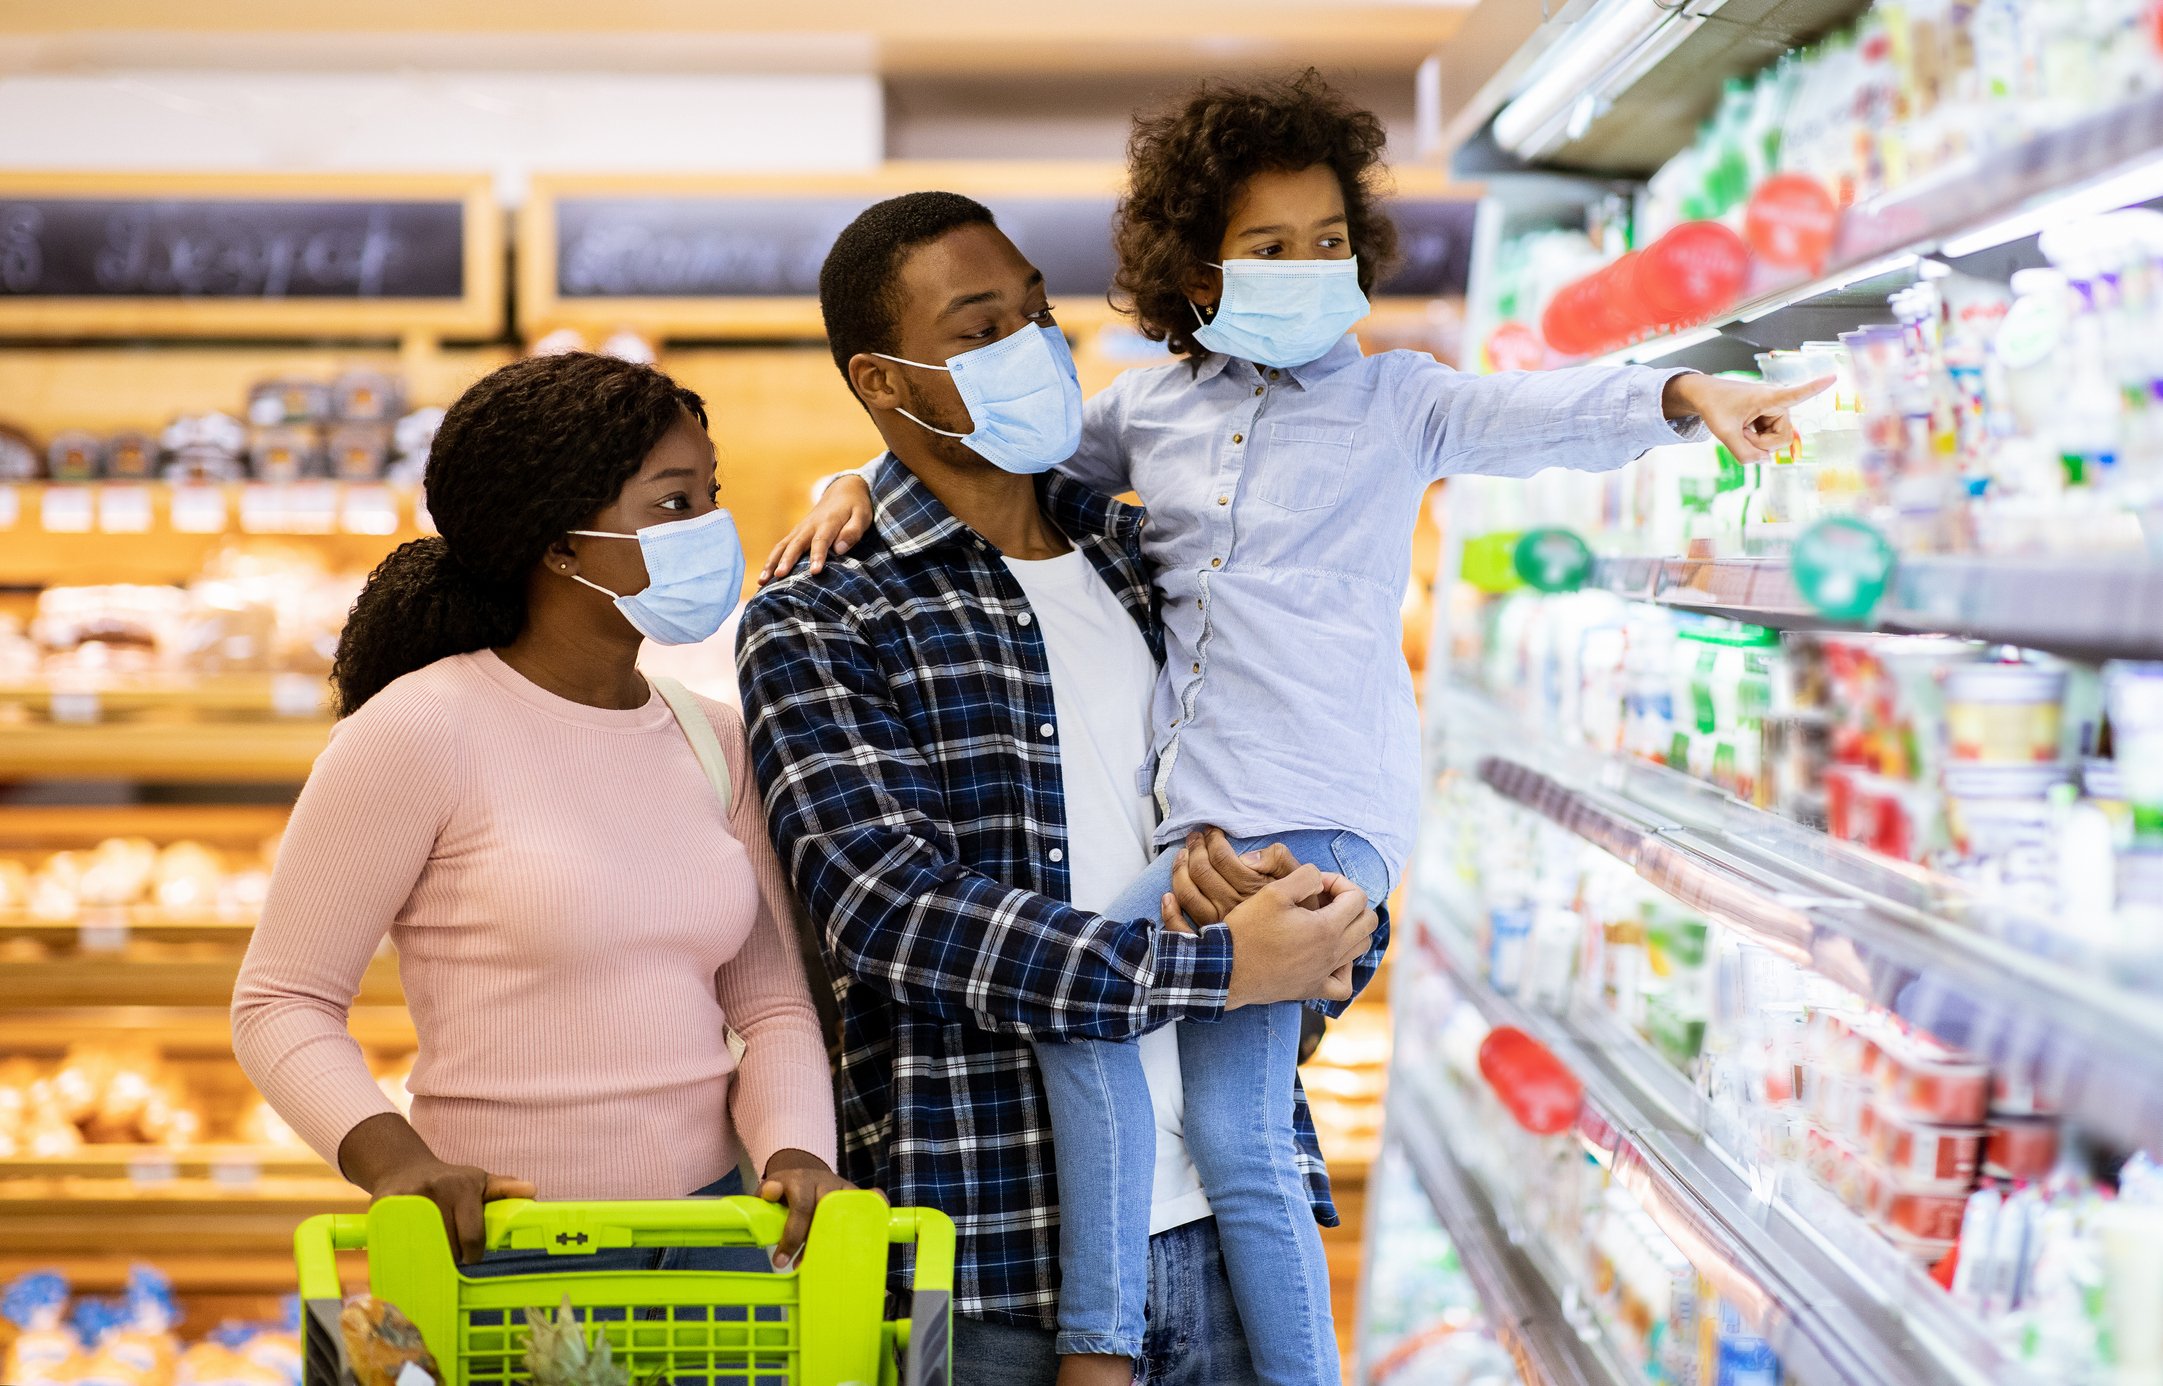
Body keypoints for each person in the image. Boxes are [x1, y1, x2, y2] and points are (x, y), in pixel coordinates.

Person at [763, 74, 1829, 1386]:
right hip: (1011, 1220)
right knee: (1199, 1088)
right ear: (1191, 271)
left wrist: (1682, 395)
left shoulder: (1357, 419)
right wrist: (845, 479)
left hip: (1315, 830)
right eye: (1266, 247)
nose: (1305, 268)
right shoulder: (1108, 461)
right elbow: (890, 892)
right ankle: (1108, 1338)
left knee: (1240, 1127)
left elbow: (1528, 410)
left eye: (1327, 241)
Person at [736, 190, 1380, 1386]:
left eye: (1036, 313)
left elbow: (1290, 763)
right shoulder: (822, 615)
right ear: (882, 382)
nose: (1031, 349)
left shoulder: (1146, 552)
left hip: (1232, 1226)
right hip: (1000, 1257)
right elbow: (893, 915)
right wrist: (1224, 967)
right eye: (978, 331)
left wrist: (1333, 940)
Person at [232, 352, 849, 1272]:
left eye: (710, 497)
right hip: (505, 1245)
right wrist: (394, 1160)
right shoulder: (417, 730)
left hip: (717, 1238)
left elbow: (768, 1007)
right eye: (674, 504)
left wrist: (798, 1152)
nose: (710, 529)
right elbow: (282, 1001)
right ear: (558, 545)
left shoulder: (712, 737)